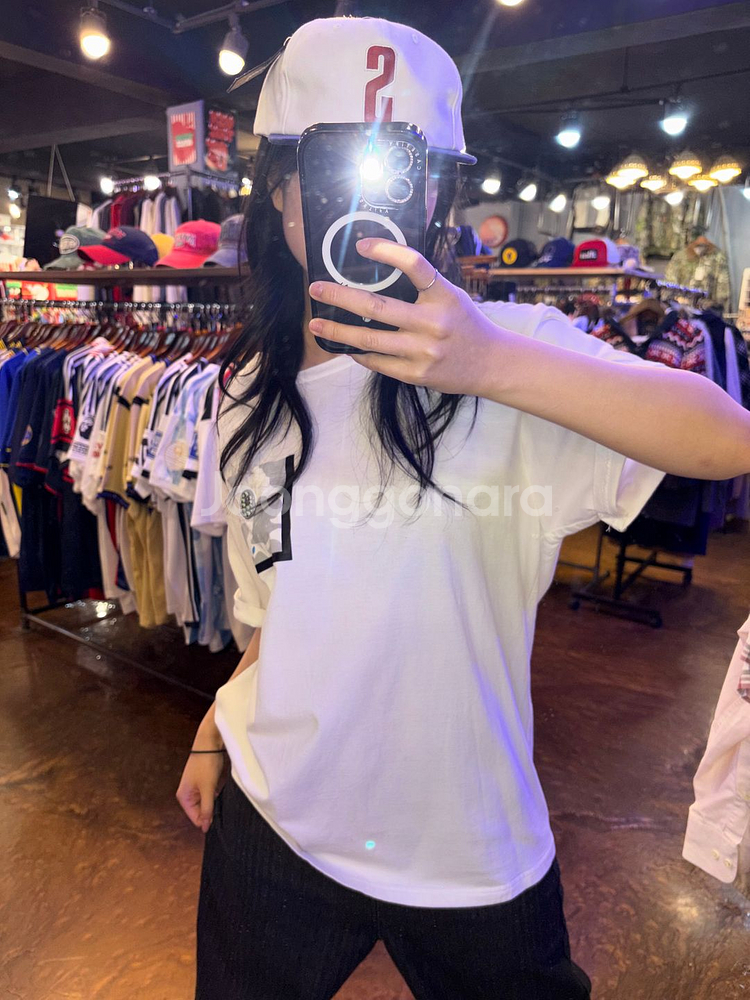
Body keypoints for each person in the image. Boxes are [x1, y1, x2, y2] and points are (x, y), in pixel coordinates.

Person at [176, 17, 750, 1000]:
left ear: (437, 196)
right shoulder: (248, 392)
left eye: (401, 176)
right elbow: (276, 604)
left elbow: (726, 436)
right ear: (279, 192)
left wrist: (488, 363)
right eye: (328, 172)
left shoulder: (518, 345)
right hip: (274, 823)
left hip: (471, 850)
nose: (362, 208)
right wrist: (213, 726)